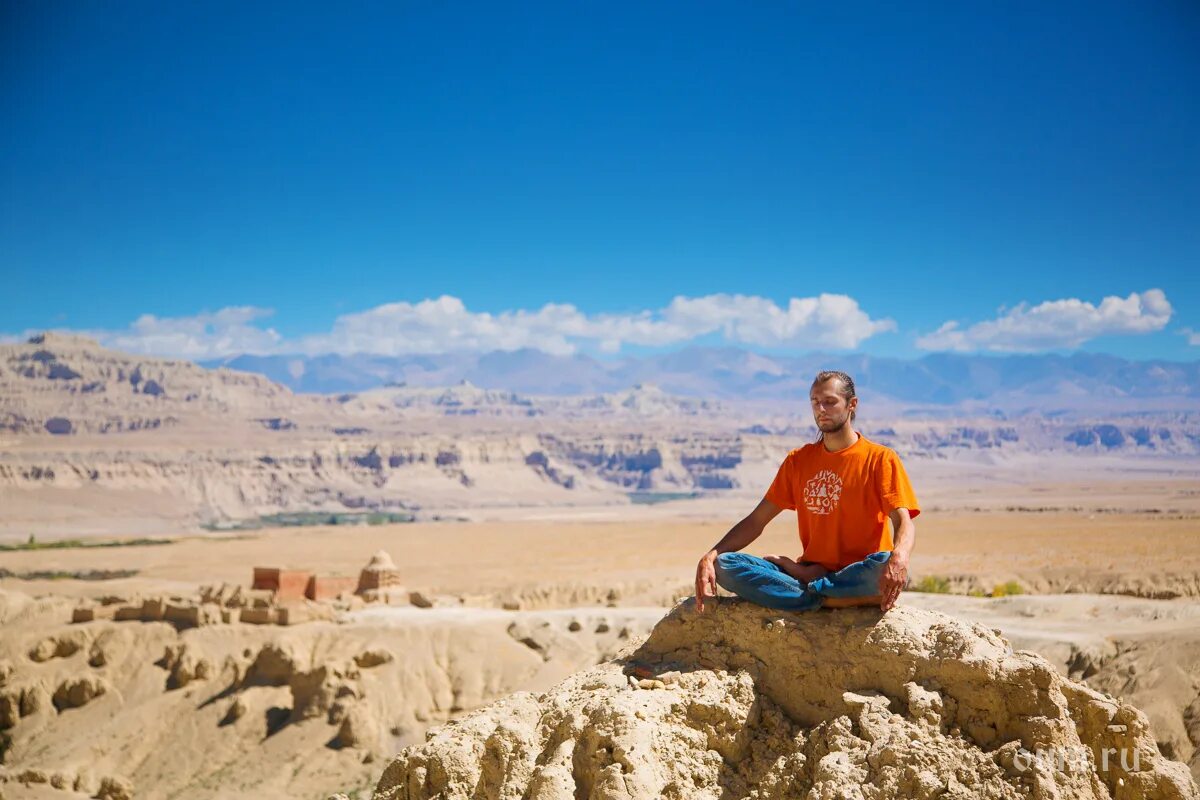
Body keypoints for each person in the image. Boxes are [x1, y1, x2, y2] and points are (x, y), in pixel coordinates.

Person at [694, 370, 919, 613]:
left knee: (883, 565)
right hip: (813, 573)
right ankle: (825, 595)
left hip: (859, 572)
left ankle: (807, 593)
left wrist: (900, 557)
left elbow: (903, 520)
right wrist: (711, 554)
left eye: (830, 402)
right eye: (815, 402)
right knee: (725, 564)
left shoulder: (880, 459)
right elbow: (757, 521)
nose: (821, 409)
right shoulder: (798, 461)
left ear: (852, 404)